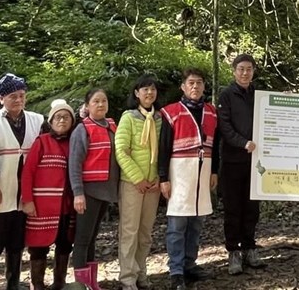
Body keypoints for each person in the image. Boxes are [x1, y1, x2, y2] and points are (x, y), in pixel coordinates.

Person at [0, 73, 45, 290]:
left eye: (21, 95)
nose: (18, 100)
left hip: (25, 192)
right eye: (12, 96)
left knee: (16, 242)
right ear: (1, 98)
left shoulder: (37, 119)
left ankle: (13, 284)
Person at [159, 68, 219, 290]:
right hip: (180, 172)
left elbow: (217, 144)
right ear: (183, 87)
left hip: (203, 172)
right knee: (177, 223)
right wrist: (163, 177)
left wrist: (215, 171)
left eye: (199, 83)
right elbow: (163, 147)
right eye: (191, 83)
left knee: (197, 221)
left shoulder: (211, 112)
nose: (195, 87)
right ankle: (175, 270)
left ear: (204, 86)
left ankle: (189, 263)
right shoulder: (171, 112)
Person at [22, 99, 77, 290]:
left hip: (67, 205)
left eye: (66, 117)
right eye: (58, 117)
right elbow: (28, 172)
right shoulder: (42, 142)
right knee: (38, 247)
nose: (62, 120)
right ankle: (37, 284)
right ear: (51, 121)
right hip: (42, 205)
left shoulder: (74, 142)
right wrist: (27, 200)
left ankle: (59, 283)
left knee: (64, 244)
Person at [217, 53, 265, 275]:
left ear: (254, 71)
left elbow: (271, 114)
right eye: (241, 69)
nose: (245, 73)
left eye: (249, 69)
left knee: (252, 207)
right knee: (233, 208)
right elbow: (224, 127)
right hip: (233, 160)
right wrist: (242, 142)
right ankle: (233, 252)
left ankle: (249, 247)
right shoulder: (226, 95)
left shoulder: (260, 95)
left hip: (256, 163)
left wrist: (282, 104)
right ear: (234, 71)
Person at [116, 75, 163, 290]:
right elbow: (121, 151)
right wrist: (138, 179)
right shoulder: (128, 118)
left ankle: (141, 273)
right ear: (136, 93)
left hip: (153, 185)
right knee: (130, 231)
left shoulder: (160, 118)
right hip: (132, 184)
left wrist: (157, 178)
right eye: (145, 89)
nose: (149, 93)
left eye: (152, 89)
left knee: (145, 233)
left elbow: (164, 151)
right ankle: (127, 278)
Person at [69, 88, 119, 290]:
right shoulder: (83, 129)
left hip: (106, 190)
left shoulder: (113, 125)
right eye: (96, 101)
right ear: (87, 105)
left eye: (104, 101)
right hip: (89, 191)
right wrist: (78, 193)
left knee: (92, 237)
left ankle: (91, 282)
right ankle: (80, 285)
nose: (100, 105)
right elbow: (75, 163)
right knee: (82, 239)